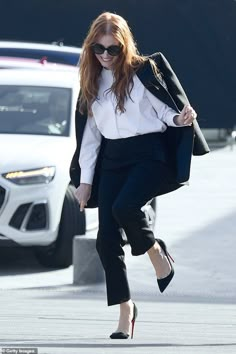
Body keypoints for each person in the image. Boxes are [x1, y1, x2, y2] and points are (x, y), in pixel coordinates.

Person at [70, 12, 209, 339]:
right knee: (106, 240)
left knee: (125, 208)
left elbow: (164, 112)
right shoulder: (90, 81)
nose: (105, 55)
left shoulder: (141, 72)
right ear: (91, 48)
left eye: (113, 49)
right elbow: (90, 138)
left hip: (149, 155)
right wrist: (85, 183)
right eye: (99, 49)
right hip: (113, 159)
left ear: (124, 46)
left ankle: (157, 254)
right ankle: (125, 309)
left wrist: (182, 118)